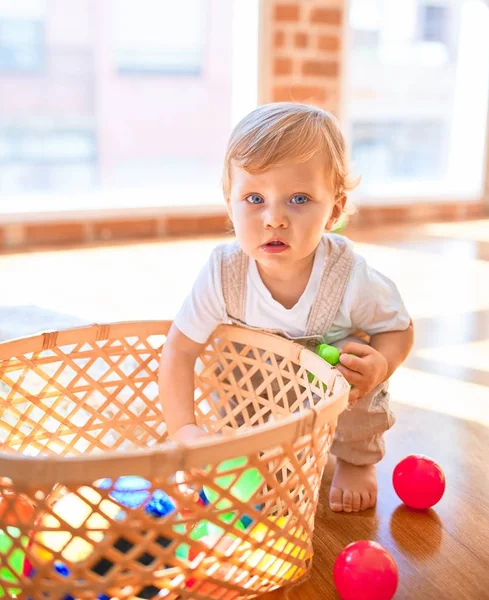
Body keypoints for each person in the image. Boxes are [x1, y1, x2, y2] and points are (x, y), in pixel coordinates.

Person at [159, 102, 414, 513]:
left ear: (333, 209)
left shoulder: (348, 277)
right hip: (257, 394)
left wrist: (380, 364)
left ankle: (354, 459)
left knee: (357, 370)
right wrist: (185, 431)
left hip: (332, 391)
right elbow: (179, 351)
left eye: (298, 199)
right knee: (228, 373)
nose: (274, 218)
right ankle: (263, 450)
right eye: (254, 198)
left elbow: (399, 329)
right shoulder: (223, 273)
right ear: (230, 204)